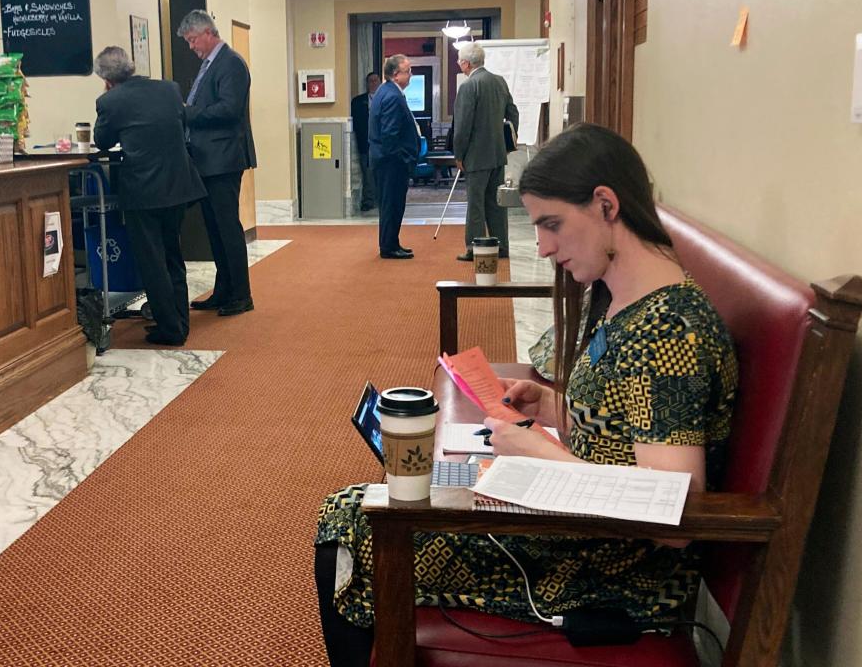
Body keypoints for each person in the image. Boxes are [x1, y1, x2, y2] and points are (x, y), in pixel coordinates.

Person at [313, 123, 738, 667]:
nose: (542, 246)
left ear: (606, 204)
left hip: (604, 569)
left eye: (553, 224)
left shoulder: (668, 331)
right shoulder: (631, 301)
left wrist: (541, 453)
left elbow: (672, 515)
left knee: (349, 520)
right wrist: (552, 405)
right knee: (415, 489)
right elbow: (632, 428)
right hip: (578, 526)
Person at [92, 47, 206, 347]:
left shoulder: (110, 101)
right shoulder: (169, 89)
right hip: (178, 185)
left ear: (105, 78)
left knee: (152, 261)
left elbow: (102, 141)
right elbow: (179, 124)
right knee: (172, 255)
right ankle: (181, 321)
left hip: (144, 190)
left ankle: (170, 329)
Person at [177, 9, 257, 317]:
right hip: (209, 159)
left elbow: (229, 109)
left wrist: (188, 112)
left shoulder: (231, 63)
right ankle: (223, 290)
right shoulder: (211, 63)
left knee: (227, 228)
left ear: (208, 33)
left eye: (193, 40)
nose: (192, 46)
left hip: (223, 158)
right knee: (215, 229)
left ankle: (241, 294)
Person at [452, 42, 519, 262]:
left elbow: (462, 126)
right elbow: (513, 113)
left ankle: (474, 247)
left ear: (466, 63)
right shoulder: (499, 81)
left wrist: (459, 154)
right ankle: (502, 246)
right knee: (496, 203)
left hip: (475, 156)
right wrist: (507, 142)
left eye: (460, 61)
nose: (460, 65)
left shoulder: (469, 86)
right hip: (498, 154)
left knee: (476, 204)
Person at [368, 54, 420, 260]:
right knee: (392, 204)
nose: (411, 75)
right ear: (396, 75)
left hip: (387, 161)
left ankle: (391, 242)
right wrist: (404, 159)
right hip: (391, 163)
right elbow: (390, 135)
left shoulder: (386, 91)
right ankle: (388, 246)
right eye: (408, 71)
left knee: (392, 204)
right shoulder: (392, 96)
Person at [351, 72, 381, 212]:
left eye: (376, 81)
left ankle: (380, 199)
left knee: (381, 173)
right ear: (367, 83)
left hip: (383, 144)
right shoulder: (358, 102)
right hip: (365, 144)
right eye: (371, 81)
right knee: (368, 173)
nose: (374, 83)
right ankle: (369, 201)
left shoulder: (386, 99)